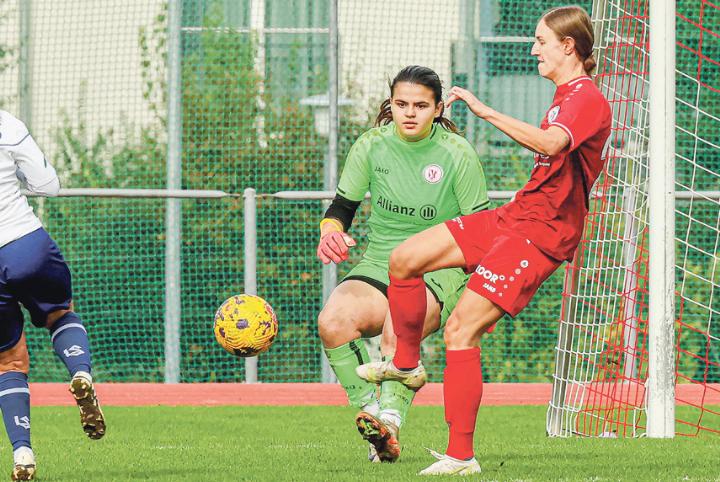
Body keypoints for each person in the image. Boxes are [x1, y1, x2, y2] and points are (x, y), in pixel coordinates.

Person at [357, 6, 612, 475]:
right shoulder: (563, 95)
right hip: (516, 216)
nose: (533, 49)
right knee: (404, 259)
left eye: (540, 41)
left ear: (568, 47)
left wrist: (483, 109)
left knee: (460, 331)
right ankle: (406, 364)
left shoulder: (586, 98)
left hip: (540, 235)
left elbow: (552, 145)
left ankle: (461, 456)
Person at [316, 65, 489, 463]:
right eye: (401, 104)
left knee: (400, 323)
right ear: (390, 105)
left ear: (438, 108)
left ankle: (391, 421)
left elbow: (479, 231)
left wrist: (480, 293)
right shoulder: (372, 145)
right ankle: (373, 413)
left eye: (420, 105)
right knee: (332, 322)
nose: (409, 113)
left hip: (439, 268)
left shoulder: (456, 153)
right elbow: (341, 208)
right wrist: (330, 232)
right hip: (382, 262)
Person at [0, 110, 106, 480]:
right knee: (61, 313)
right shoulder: (6, 124)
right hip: (24, 242)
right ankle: (81, 374)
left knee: (10, 362)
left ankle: (23, 454)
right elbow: (49, 185)